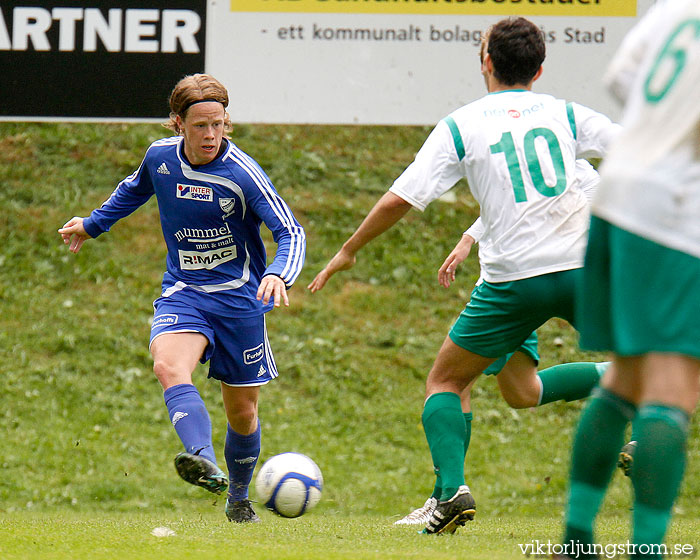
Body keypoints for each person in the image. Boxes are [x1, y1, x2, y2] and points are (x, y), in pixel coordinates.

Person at [309, 17, 620, 534]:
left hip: (514, 282)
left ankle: (449, 493)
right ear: (539, 68)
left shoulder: (462, 124)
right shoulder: (567, 115)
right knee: (533, 386)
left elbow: (401, 198)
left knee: (447, 381)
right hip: (581, 272)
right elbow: (640, 150)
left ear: (486, 63)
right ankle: (635, 394)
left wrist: (349, 249)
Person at [58, 74, 306, 523]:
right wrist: (92, 224)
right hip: (185, 292)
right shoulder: (160, 158)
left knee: (243, 413)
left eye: (219, 124)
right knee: (168, 365)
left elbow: (290, 231)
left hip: (239, 302)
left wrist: (278, 274)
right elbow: (133, 189)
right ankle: (201, 458)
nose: (211, 135)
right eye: (200, 126)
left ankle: (238, 496)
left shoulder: (242, 174)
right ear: (178, 123)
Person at [394, 161, 610, 526]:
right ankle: (614, 375)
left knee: (451, 382)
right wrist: (468, 238)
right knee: (523, 392)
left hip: (510, 290)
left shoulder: (575, 173)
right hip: (530, 289)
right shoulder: (541, 165)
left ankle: (445, 495)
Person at [561, 1, 700, 557]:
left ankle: (577, 537)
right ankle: (647, 549)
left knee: (625, 379)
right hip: (675, 210)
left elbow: (621, 77)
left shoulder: (678, 7)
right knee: (675, 386)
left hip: (617, 194)